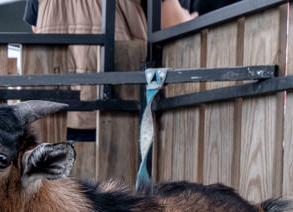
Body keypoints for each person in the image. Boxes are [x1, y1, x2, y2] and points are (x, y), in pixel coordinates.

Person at [22, 1, 196, 140]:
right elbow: (172, 25)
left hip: (53, 112)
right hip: (118, 106)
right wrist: (190, 19)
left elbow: (37, 28)